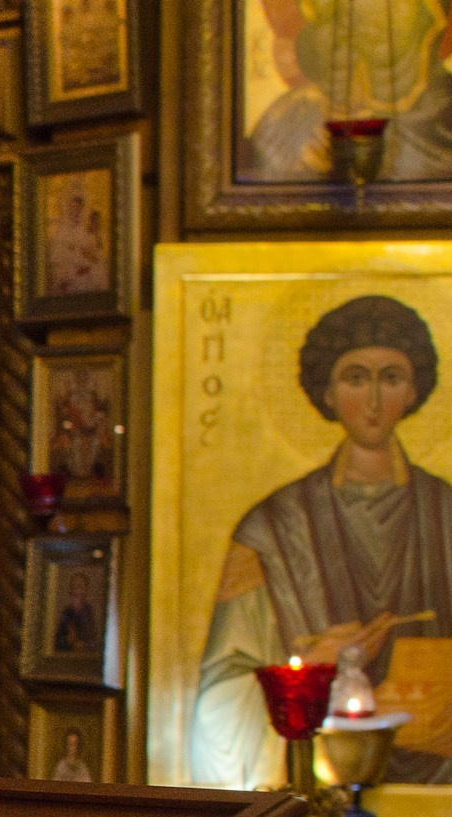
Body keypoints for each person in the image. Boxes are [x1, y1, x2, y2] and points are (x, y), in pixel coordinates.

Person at [192, 295, 452, 785]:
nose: (373, 401)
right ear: (327, 392)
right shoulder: (269, 528)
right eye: (355, 378)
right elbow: (219, 698)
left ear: (414, 390)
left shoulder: (448, 513)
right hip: (311, 780)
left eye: (390, 378)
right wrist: (310, 670)